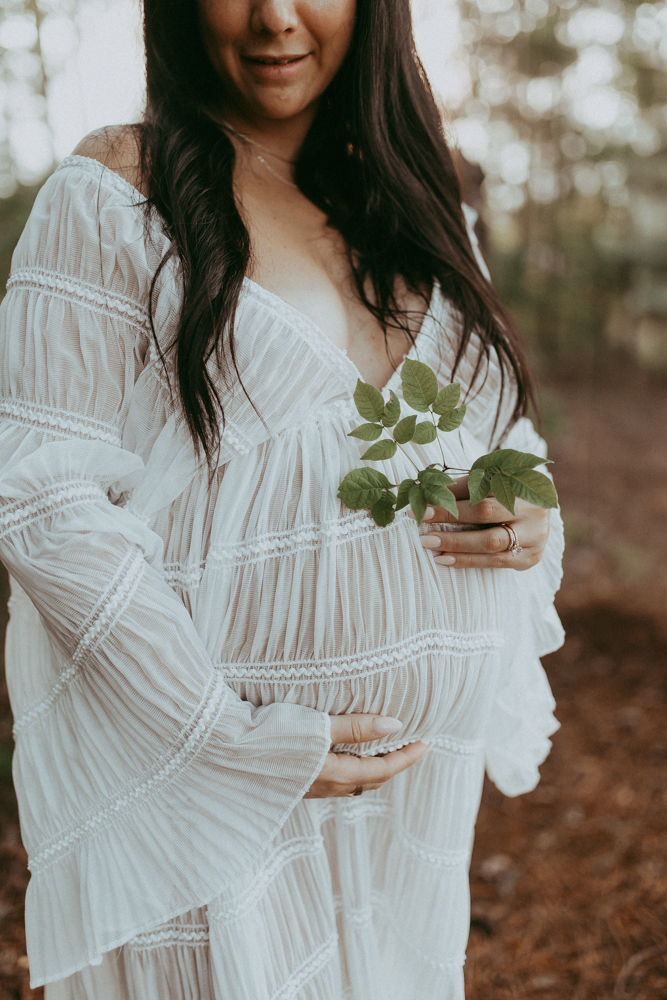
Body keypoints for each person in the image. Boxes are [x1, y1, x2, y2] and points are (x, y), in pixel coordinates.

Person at [0, 0, 564, 997]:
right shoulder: (114, 189)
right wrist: (220, 736)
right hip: (214, 791)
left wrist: (520, 516)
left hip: (407, 806)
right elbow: (46, 497)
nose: (274, 18)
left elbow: (502, 438)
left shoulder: (419, 199)